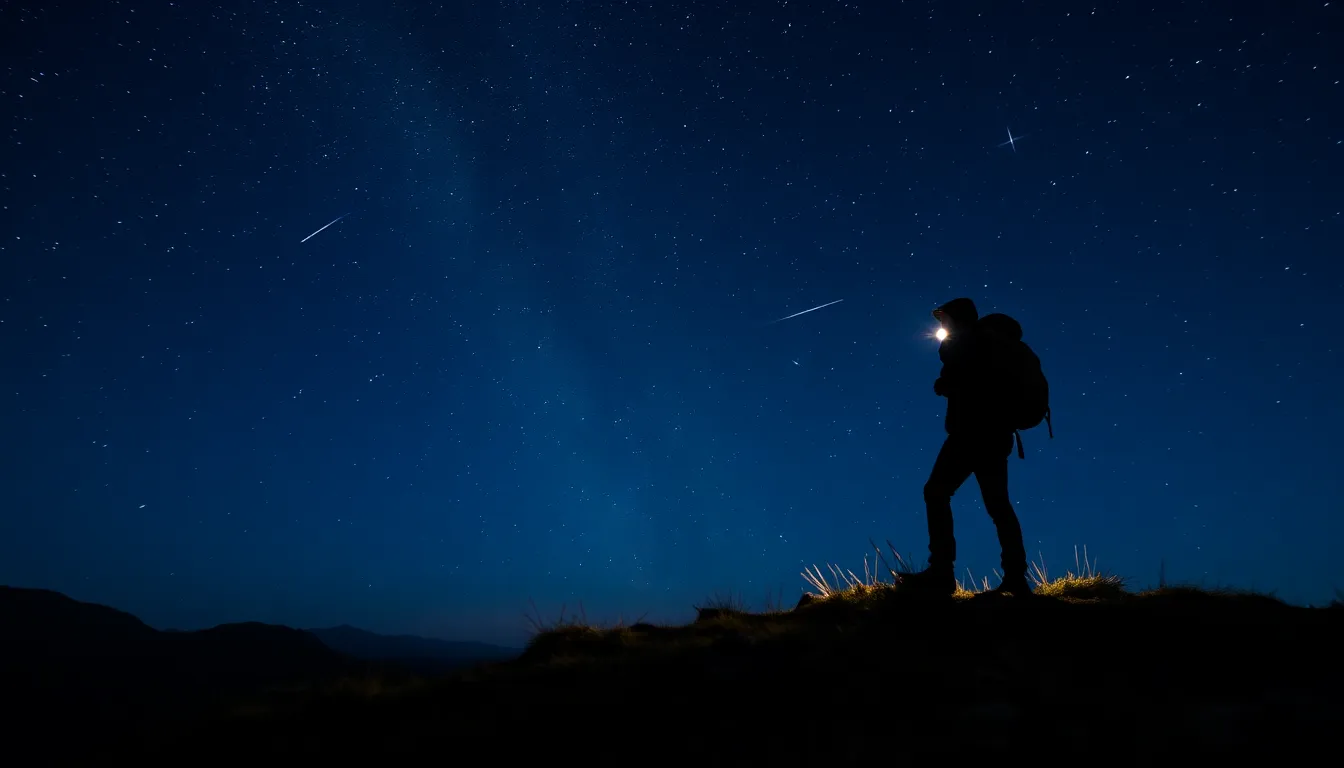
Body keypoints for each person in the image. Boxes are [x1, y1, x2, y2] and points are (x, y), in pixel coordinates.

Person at [901, 298, 1032, 596]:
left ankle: (942, 573)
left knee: (936, 492)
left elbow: (969, 381)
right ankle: (1015, 577)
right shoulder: (991, 345)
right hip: (996, 434)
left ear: (957, 318)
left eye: (944, 319)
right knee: (998, 504)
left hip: (971, 433)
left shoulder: (969, 343)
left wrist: (947, 382)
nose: (941, 325)